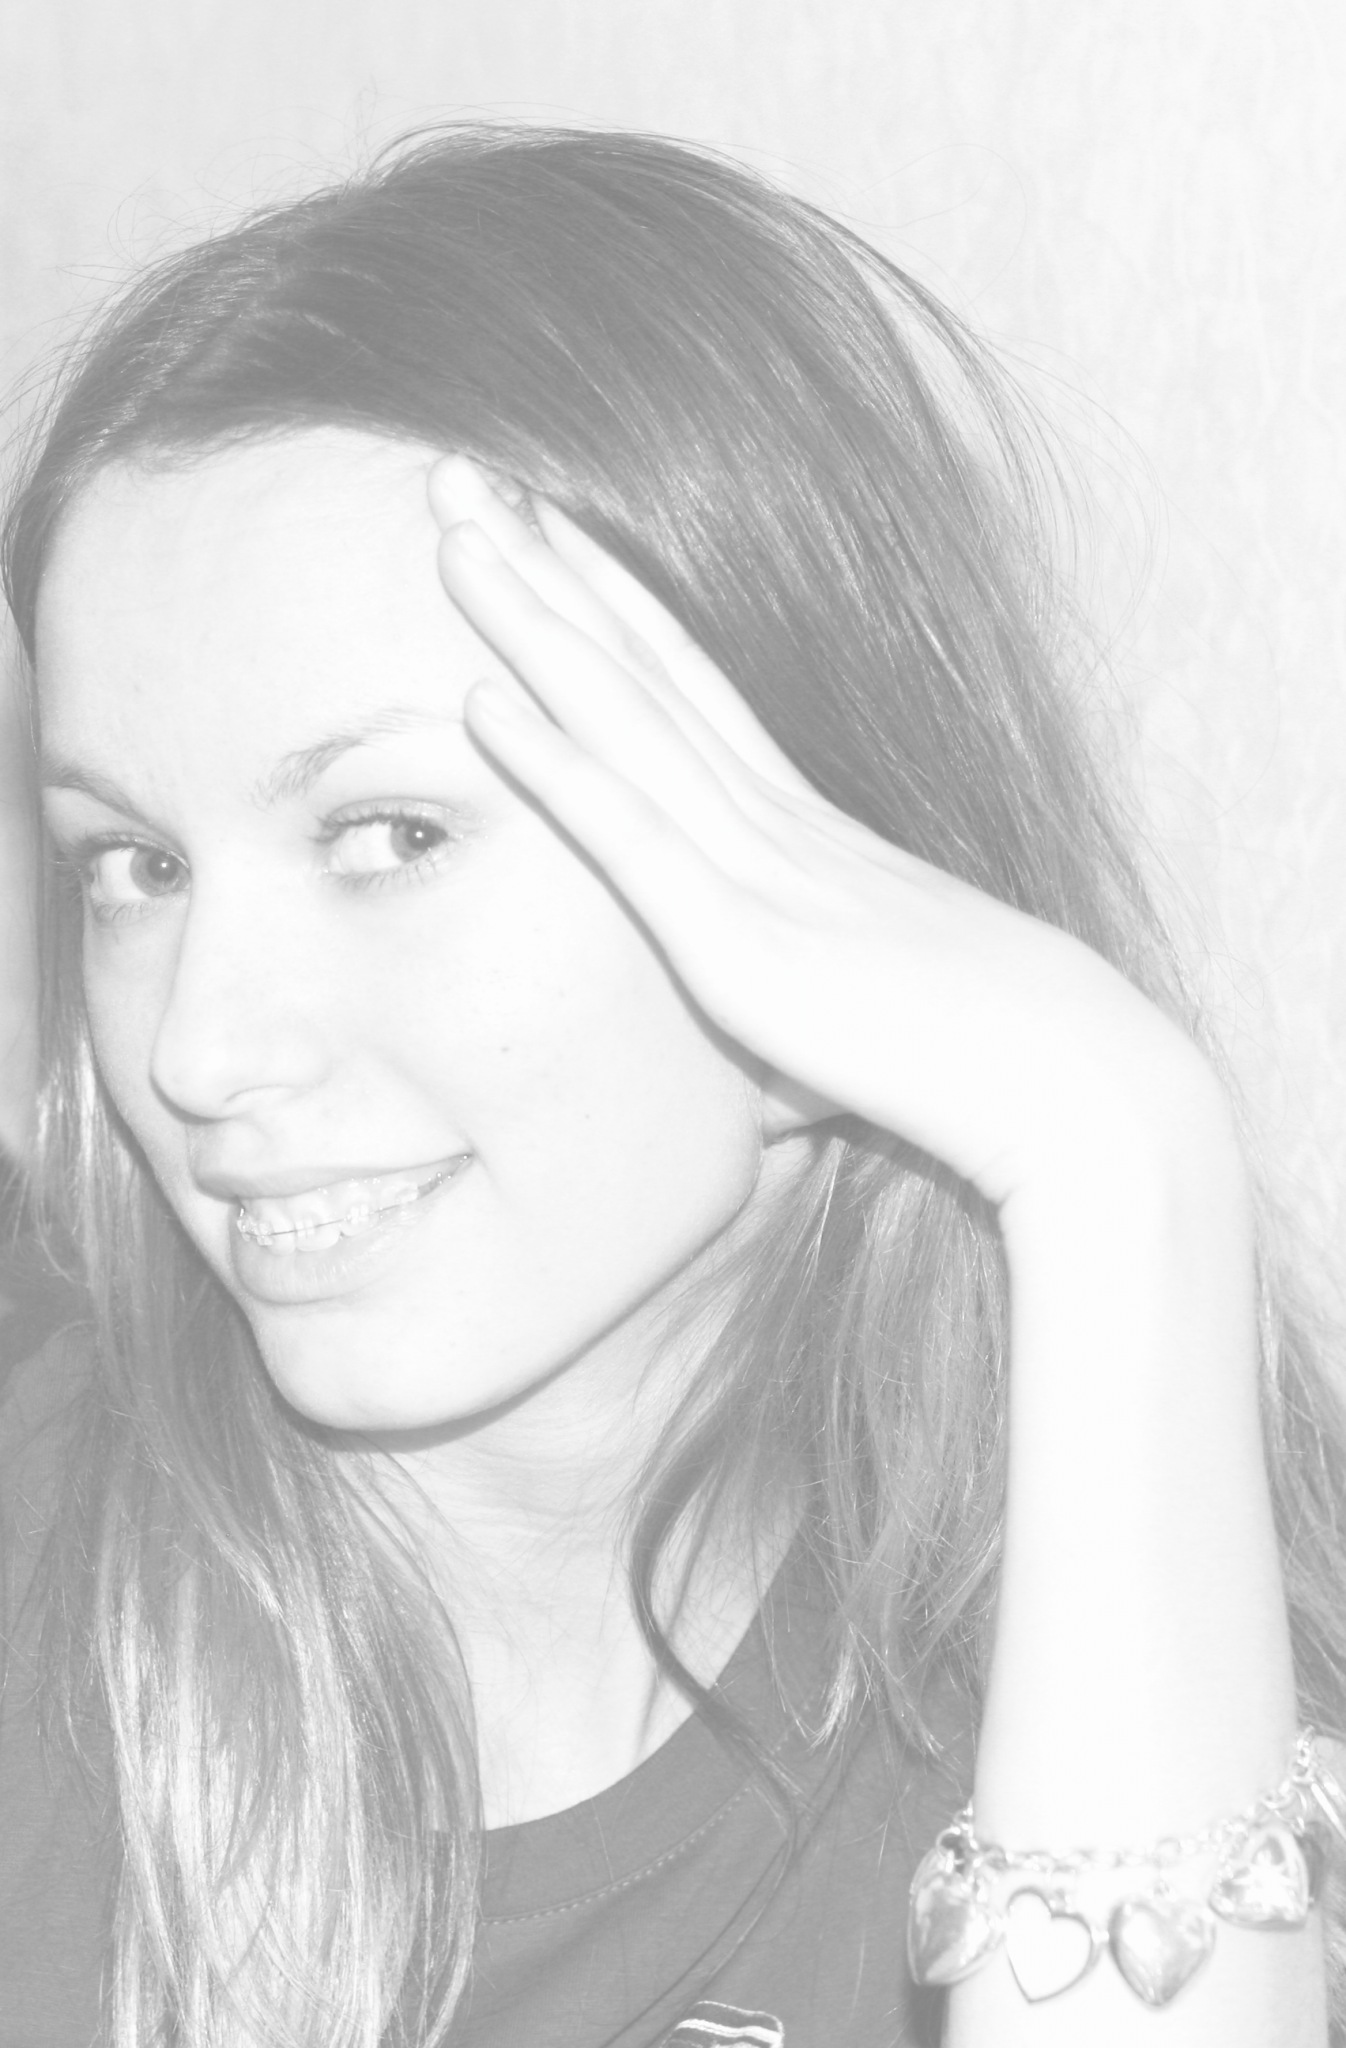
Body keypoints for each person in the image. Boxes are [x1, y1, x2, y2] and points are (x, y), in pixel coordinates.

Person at [0, 123, 1343, 2048]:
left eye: (390, 834)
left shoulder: (1127, 1619)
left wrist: (1117, 1153)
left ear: (839, 865)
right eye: (133, 866)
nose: (195, 1049)